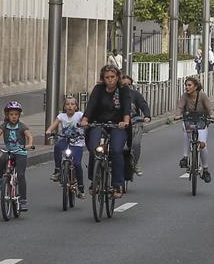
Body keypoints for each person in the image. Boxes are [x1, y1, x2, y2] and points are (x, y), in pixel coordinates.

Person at [81, 65, 131, 198]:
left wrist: (125, 122)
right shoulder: (98, 89)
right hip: (98, 124)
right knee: (95, 149)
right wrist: (85, 120)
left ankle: (117, 185)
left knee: (116, 150)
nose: (110, 80)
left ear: (118, 77)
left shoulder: (123, 89)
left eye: (113, 77)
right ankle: (94, 180)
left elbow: (126, 108)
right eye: (107, 77)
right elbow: (91, 105)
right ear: (103, 78)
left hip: (117, 125)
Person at [0, 101, 34, 211]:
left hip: (20, 152)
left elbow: (29, 136)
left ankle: (23, 200)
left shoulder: (22, 126)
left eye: (16, 115)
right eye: (11, 114)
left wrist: (29, 145)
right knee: (2, 160)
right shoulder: (4, 126)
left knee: (21, 175)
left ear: (19, 116)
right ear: (7, 115)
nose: (13, 117)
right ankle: (0, 179)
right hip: (9, 151)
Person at [173, 77, 214, 183]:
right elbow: (180, 107)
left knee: (202, 145)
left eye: (189, 85)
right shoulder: (184, 96)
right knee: (186, 130)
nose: (187, 87)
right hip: (189, 121)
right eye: (186, 85)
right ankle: (185, 157)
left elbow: (210, 107)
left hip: (201, 122)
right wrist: (177, 115)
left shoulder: (202, 95)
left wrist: (212, 115)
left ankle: (205, 169)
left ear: (195, 86)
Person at [44, 95, 86, 197]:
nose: (70, 106)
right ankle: (57, 170)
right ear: (64, 107)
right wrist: (49, 130)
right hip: (65, 140)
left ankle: (80, 187)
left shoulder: (79, 115)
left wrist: (85, 125)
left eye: (72, 104)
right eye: (67, 104)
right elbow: (54, 125)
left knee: (77, 164)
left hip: (77, 143)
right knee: (57, 146)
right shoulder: (61, 116)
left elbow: (85, 121)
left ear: (76, 106)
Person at [121, 75, 151, 177]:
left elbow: (143, 104)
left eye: (129, 84)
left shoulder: (136, 94)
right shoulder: (116, 95)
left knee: (136, 144)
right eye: (124, 84)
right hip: (120, 124)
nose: (126, 87)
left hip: (135, 122)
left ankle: (135, 162)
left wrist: (147, 115)